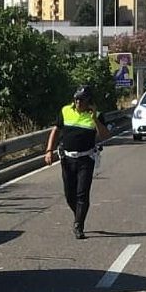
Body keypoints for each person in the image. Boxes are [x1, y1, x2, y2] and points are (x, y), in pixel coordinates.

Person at [44, 86, 112, 239]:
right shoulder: (65, 110)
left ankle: (78, 225)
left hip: (85, 159)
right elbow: (55, 130)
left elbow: (105, 135)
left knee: (82, 194)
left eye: (81, 99)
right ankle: (79, 214)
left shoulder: (97, 116)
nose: (78, 102)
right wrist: (49, 150)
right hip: (67, 159)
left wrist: (94, 118)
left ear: (89, 101)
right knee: (69, 195)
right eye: (76, 98)